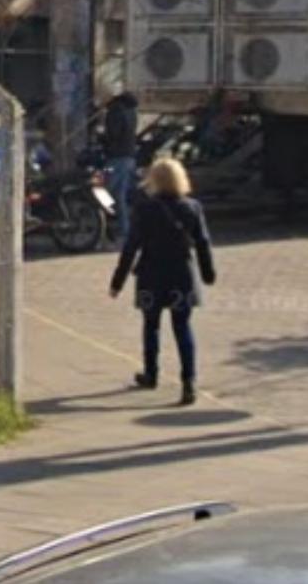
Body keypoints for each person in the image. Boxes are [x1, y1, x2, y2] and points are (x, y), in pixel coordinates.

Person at [109, 157, 216, 406]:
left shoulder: (144, 209)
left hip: (151, 275)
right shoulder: (192, 207)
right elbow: (202, 242)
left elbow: (131, 247)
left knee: (151, 325)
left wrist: (118, 281)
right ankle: (189, 381)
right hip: (182, 275)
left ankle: (151, 373)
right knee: (182, 327)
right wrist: (208, 272)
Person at [101, 91, 140, 247]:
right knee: (119, 196)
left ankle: (102, 228)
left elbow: (113, 134)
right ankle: (125, 231)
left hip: (116, 158)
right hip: (129, 157)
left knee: (101, 192)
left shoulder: (115, 112)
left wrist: (103, 139)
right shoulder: (132, 113)